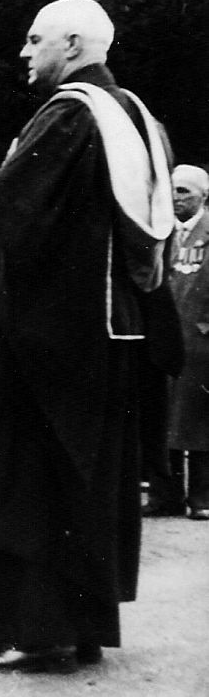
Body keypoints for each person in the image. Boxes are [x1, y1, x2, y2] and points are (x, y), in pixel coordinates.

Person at [0, 0, 181, 672]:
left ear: (72, 46)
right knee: (87, 484)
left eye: (34, 40)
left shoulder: (71, 114)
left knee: (28, 478)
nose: (23, 52)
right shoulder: (138, 117)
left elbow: (13, 207)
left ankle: (35, 630)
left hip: (48, 340)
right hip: (110, 337)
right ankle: (81, 625)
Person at [148, 164, 209, 520]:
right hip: (163, 338)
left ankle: (201, 498)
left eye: (184, 191)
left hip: (201, 340)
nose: (176, 197)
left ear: (204, 195)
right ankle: (164, 497)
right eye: (173, 190)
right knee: (161, 418)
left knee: (198, 420)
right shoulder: (160, 232)